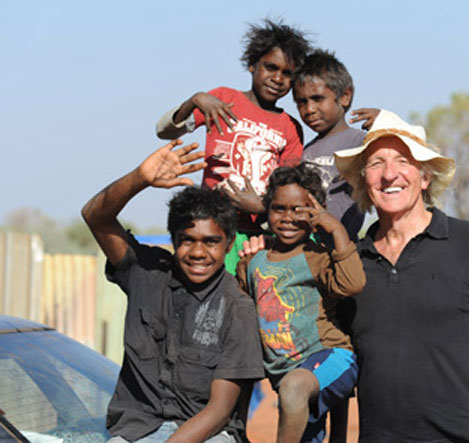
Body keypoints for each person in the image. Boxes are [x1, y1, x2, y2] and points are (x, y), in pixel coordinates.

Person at [333, 110, 469, 442]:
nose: (389, 175)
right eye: (375, 164)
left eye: (403, 161)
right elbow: (337, 357)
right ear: (363, 181)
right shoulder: (352, 263)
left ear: (425, 177)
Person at [81, 140, 264, 442]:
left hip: (209, 434)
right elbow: (95, 217)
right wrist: (139, 178)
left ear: (229, 244)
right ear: (173, 239)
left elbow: (219, 411)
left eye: (210, 242)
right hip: (135, 431)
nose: (197, 252)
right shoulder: (145, 272)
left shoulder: (237, 307)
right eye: (187, 239)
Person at [156, 19, 311, 274]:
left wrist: (261, 208)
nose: (278, 78)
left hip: (256, 238)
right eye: (271, 67)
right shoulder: (223, 99)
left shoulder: (290, 128)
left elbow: (287, 189)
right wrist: (195, 100)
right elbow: (164, 131)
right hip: (210, 229)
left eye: (287, 73)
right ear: (252, 65)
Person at [236, 163, 366, 442]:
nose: (288, 217)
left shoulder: (317, 256)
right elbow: (241, 310)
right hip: (287, 381)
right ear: (267, 210)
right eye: (279, 208)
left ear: (316, 212)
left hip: (330, 358)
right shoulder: (253, 260)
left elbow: (352, 284)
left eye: (299, 209)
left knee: (295, 386)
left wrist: (338, 231)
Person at [293, 49, 379, 248]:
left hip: (344, 248)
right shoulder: (305, 151)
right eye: (301, 102)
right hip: (307, 249)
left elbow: (404, 155)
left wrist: (386, 123)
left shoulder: (360, 143)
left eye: (317, 99)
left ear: (345, 96)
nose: (309, 109)